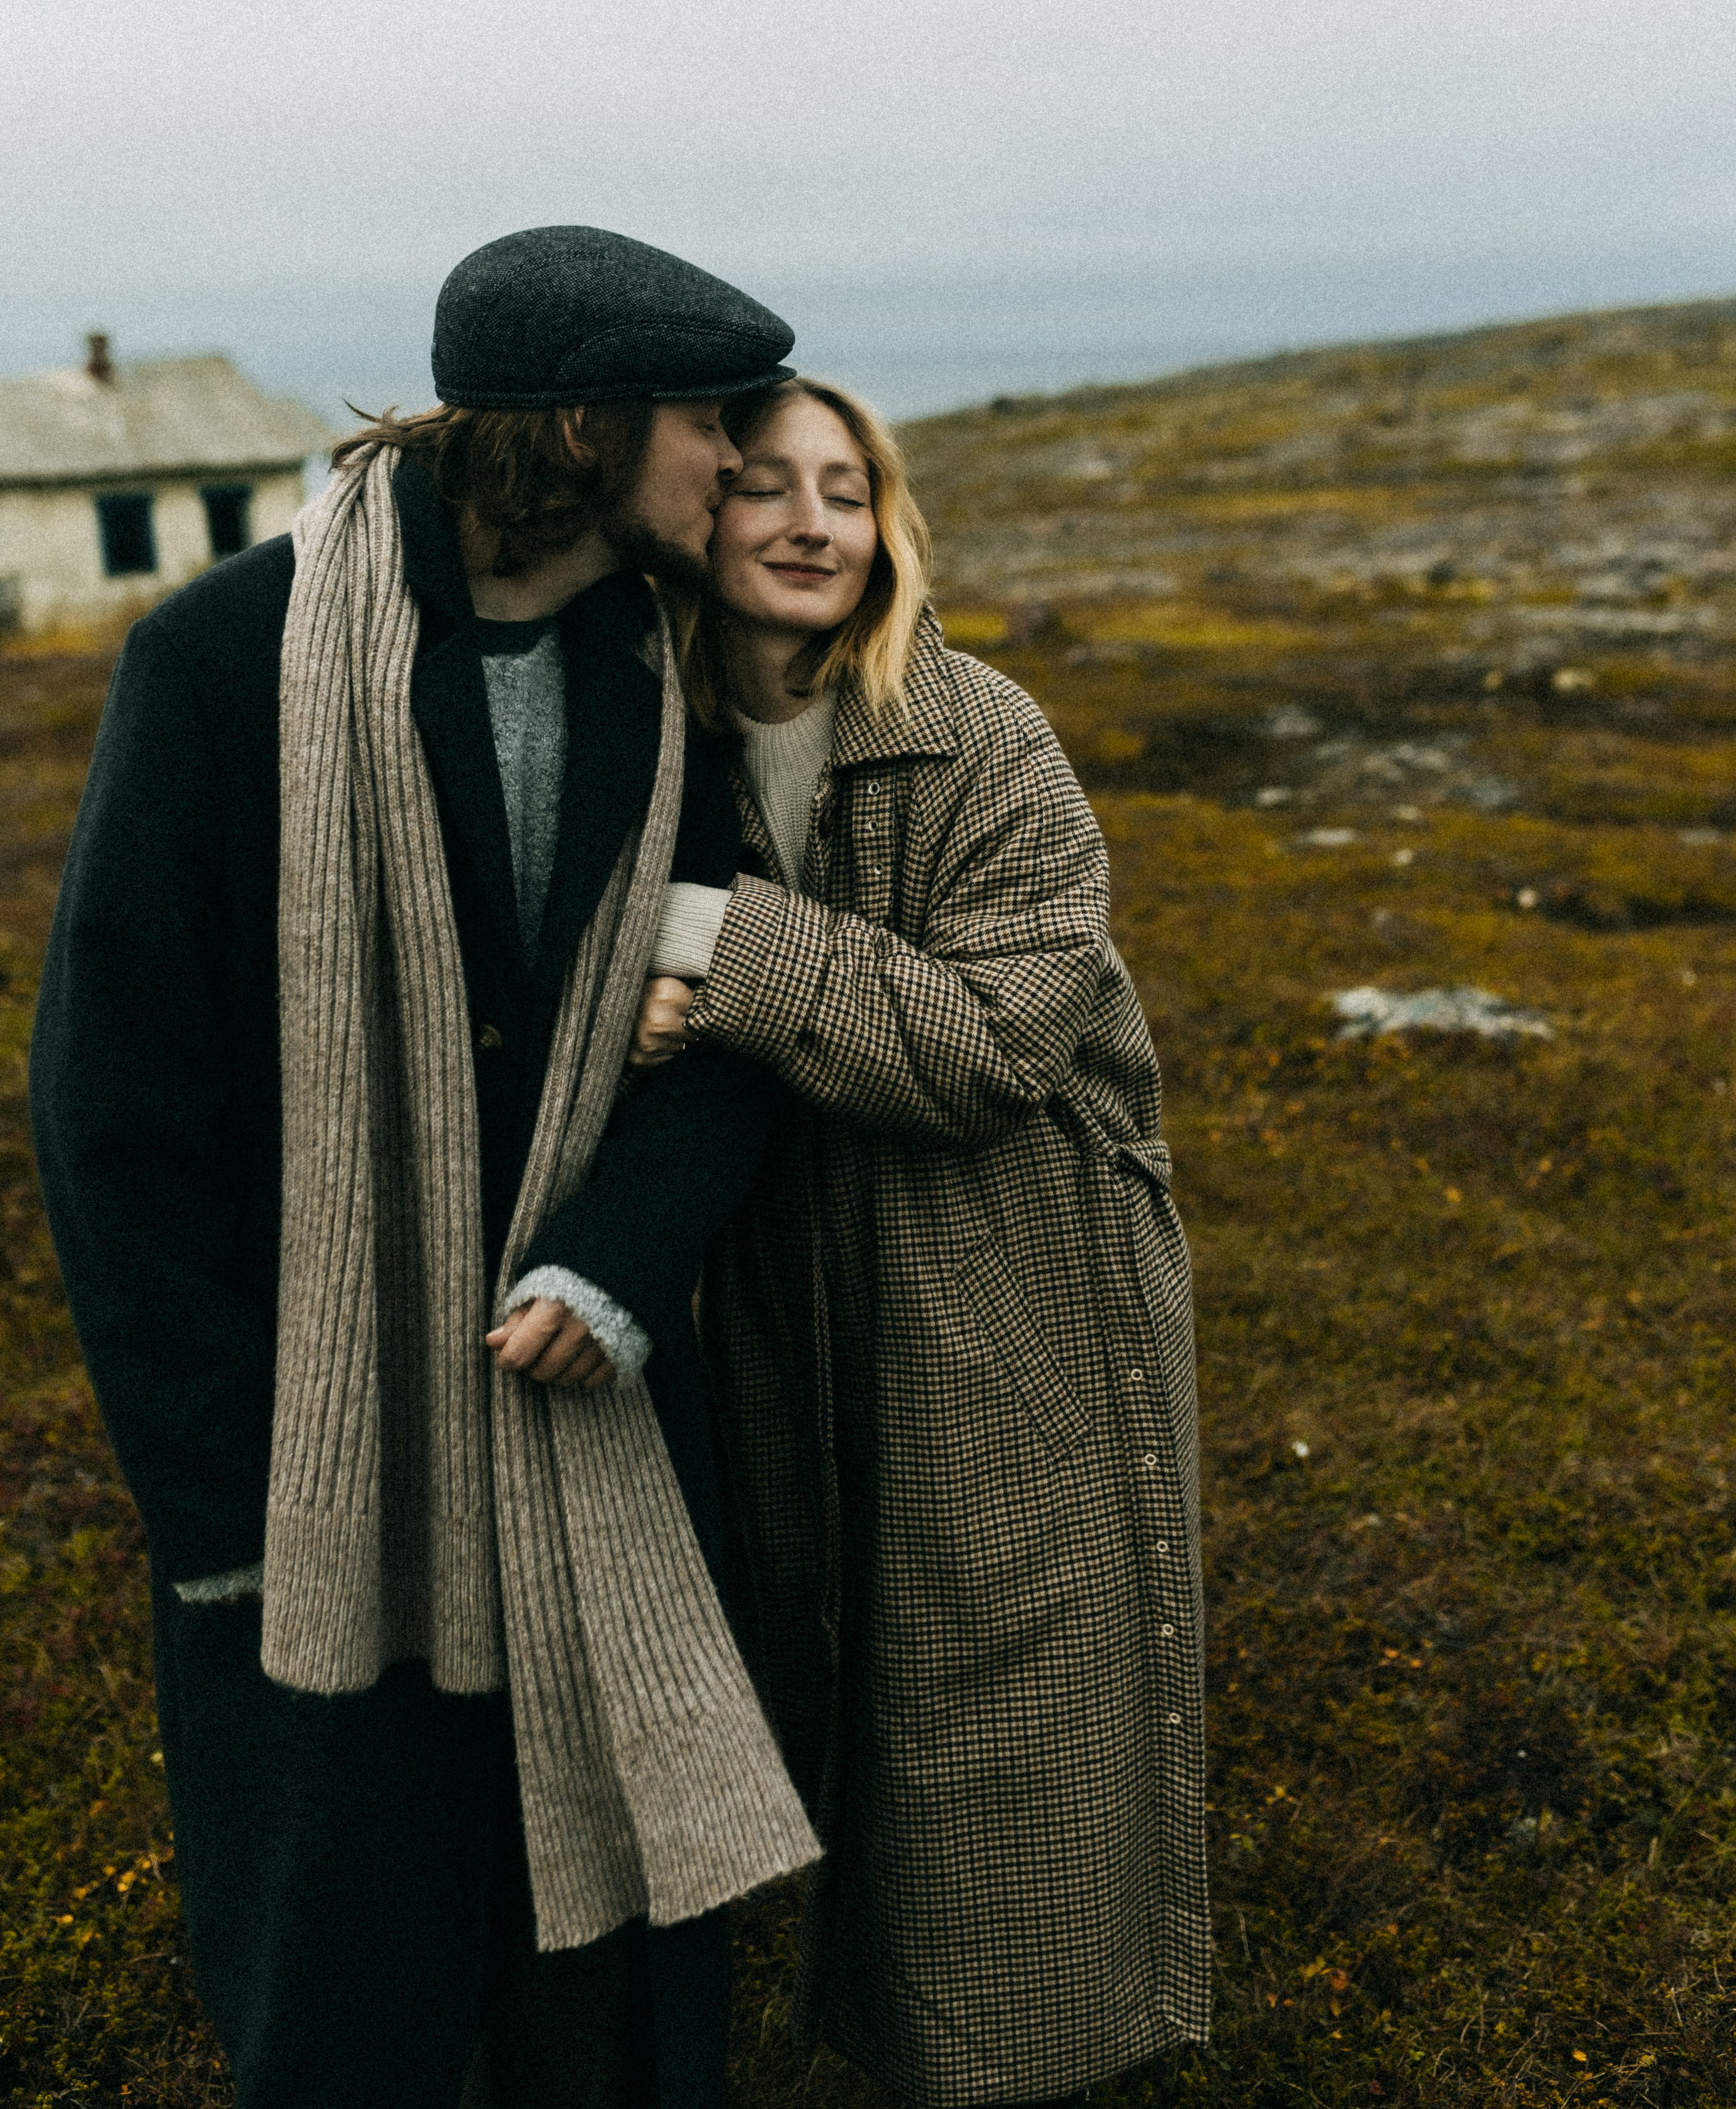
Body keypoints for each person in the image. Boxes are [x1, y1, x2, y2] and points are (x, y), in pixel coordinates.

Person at [29, 226, 820, 2109]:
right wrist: (227, 1516)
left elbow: (726, 1038)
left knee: (608, 2018)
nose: (737, 456)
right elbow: (116, 1118)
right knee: (354, 1995)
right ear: (578, 426)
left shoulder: (679, 680)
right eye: (707, 420)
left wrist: (618, 1261)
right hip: (320, 1487)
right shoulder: (219, 665)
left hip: (589, 1437)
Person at [631, 376, 1210, 2108]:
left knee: (998, 1695)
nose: (812, 522)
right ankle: (871, 2043)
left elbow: (986, 1052)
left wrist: (720, 943)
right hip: (783, 1288)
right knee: (832, 1687)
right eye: (766, 487)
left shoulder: (982, 733)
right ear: (698, 512)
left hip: (1015, 1281)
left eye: (849, 490)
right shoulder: (654, 737)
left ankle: (1031, 2054)